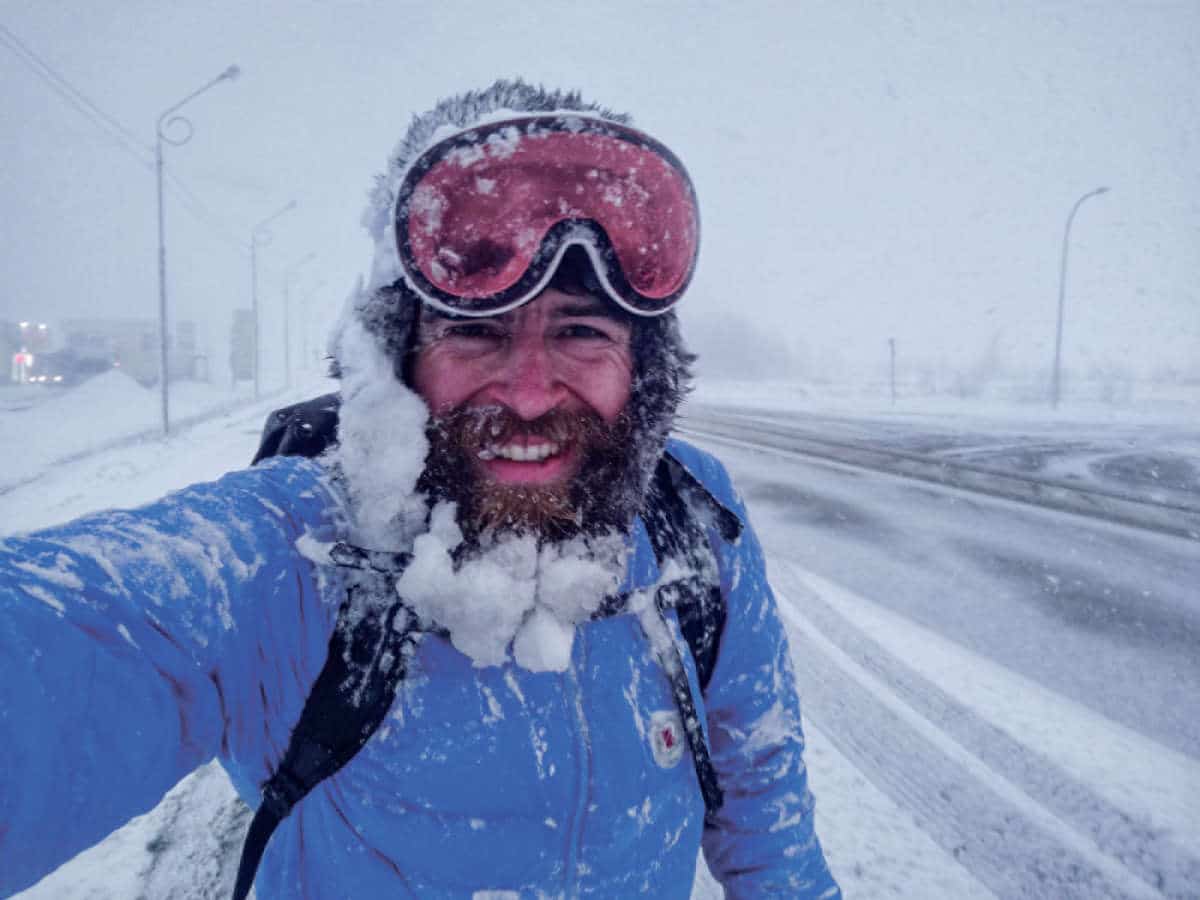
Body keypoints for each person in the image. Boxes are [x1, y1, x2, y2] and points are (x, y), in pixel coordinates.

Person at [0, 80, 840, 899]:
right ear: (396, 361)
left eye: (582, 331)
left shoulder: (694, 526)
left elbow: (767, 813)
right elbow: (79, 635)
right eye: (476, 332)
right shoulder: (296, 556)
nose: (530, 392)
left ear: (642, 370)